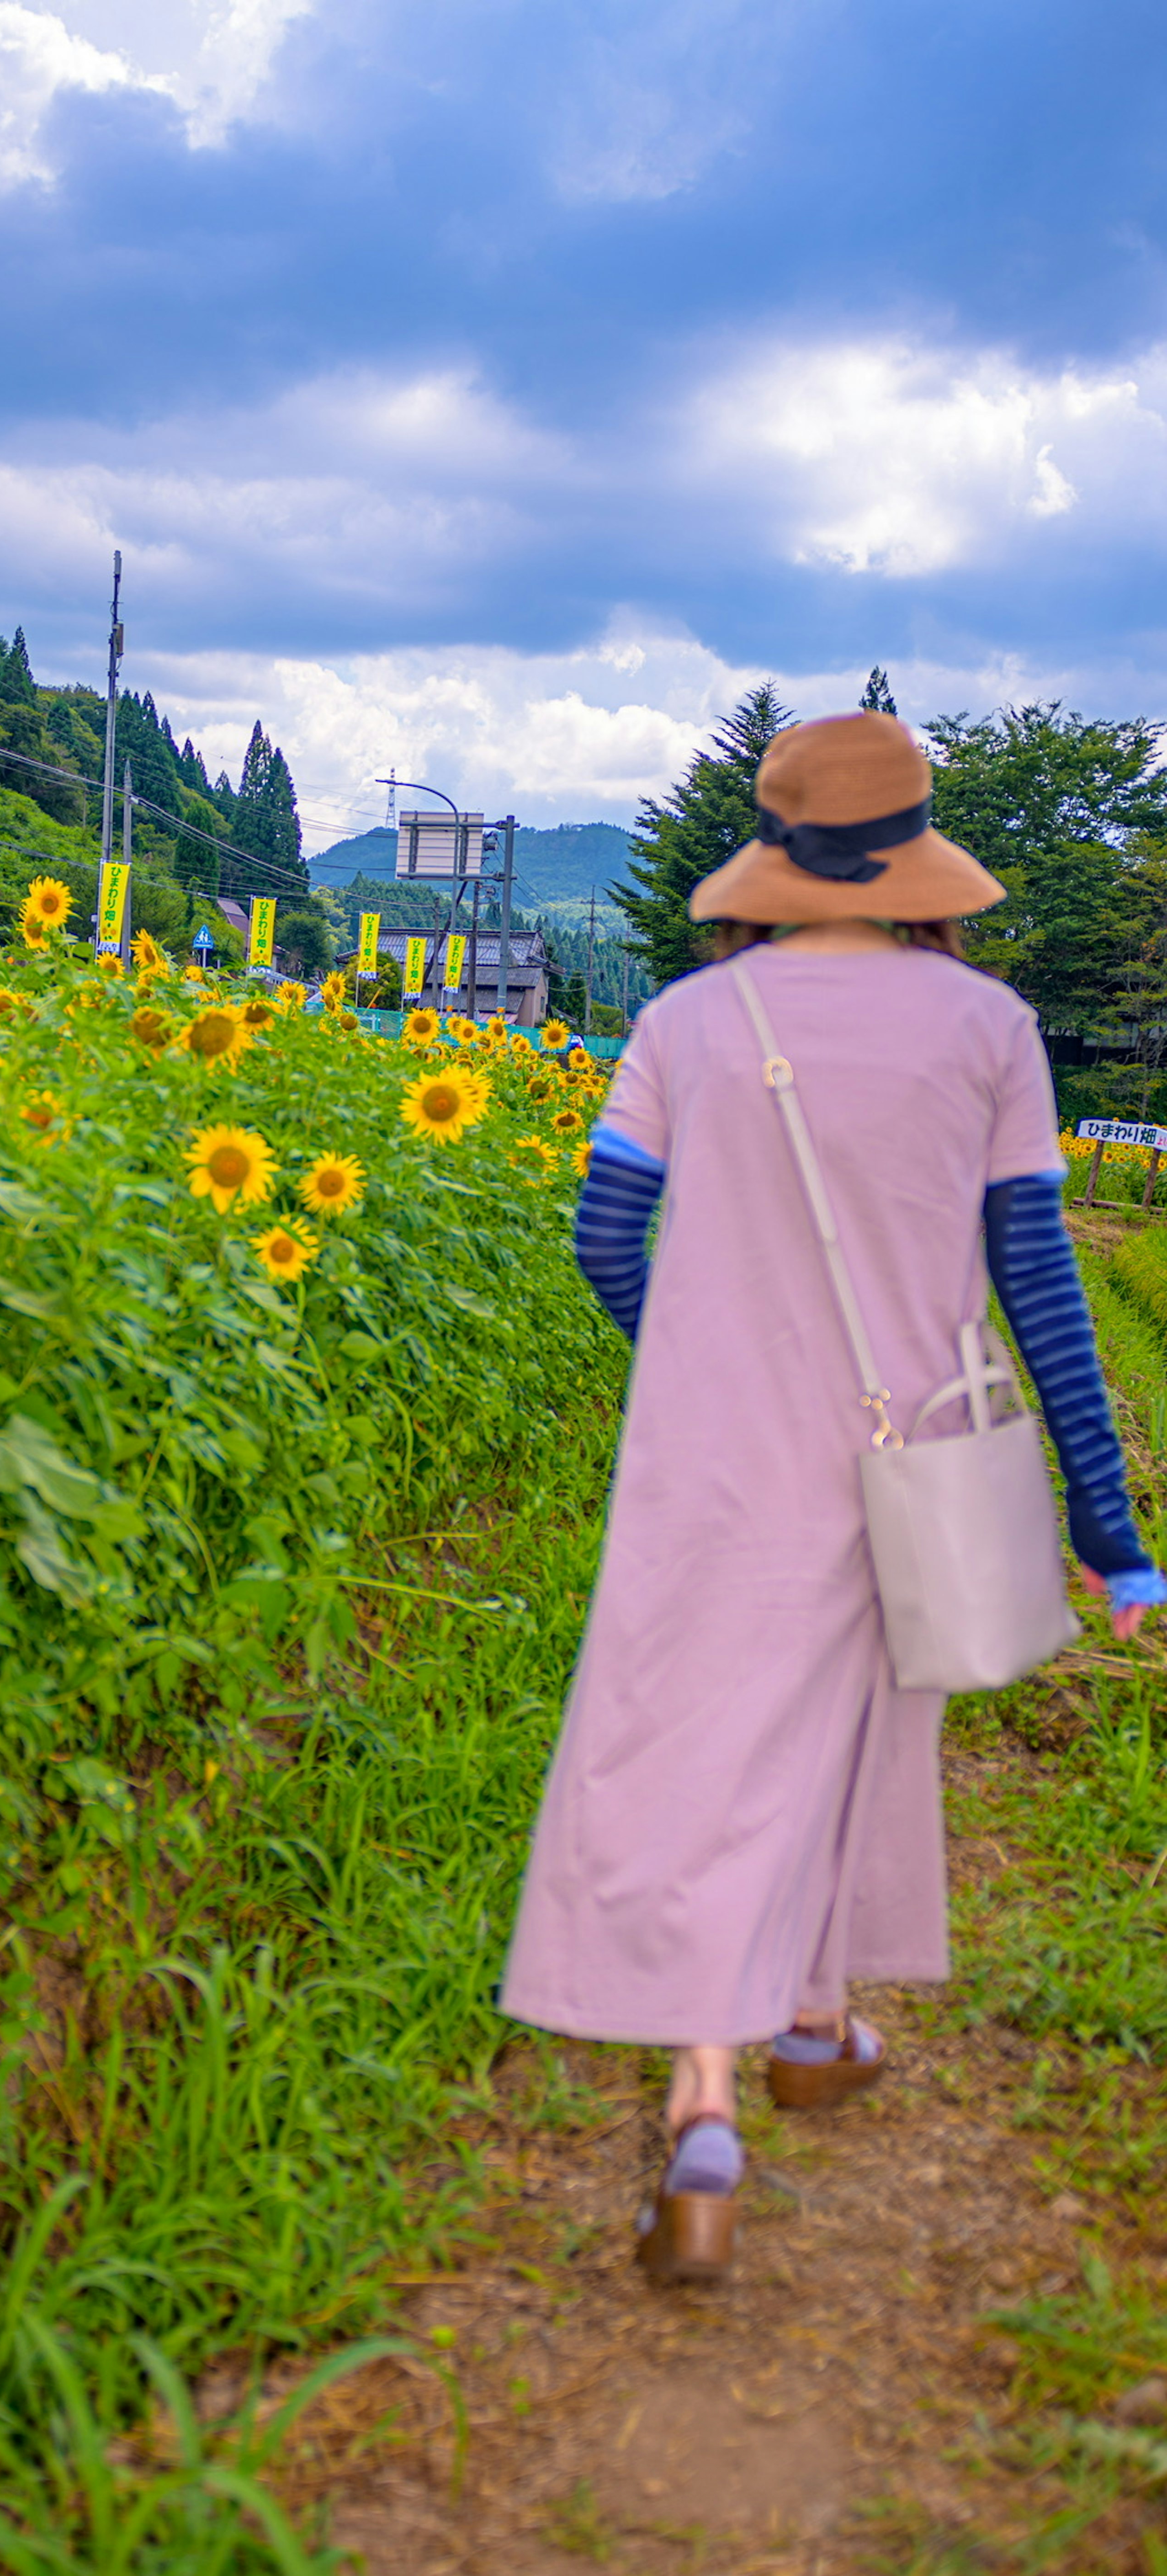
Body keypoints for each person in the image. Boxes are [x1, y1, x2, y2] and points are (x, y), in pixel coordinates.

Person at [500, 711, 1165, 2285]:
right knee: (857, 1730)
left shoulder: (686, 1024)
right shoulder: (992, 1033)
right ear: (922, 864)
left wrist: (699, 1358)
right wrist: (1112, 1536)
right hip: (908, 1446)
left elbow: (607, 1243)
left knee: (706, 1743)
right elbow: (1040, 1288)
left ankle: (708, 2103)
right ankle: (812, 2019)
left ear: (779, 860)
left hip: (707, 1462)